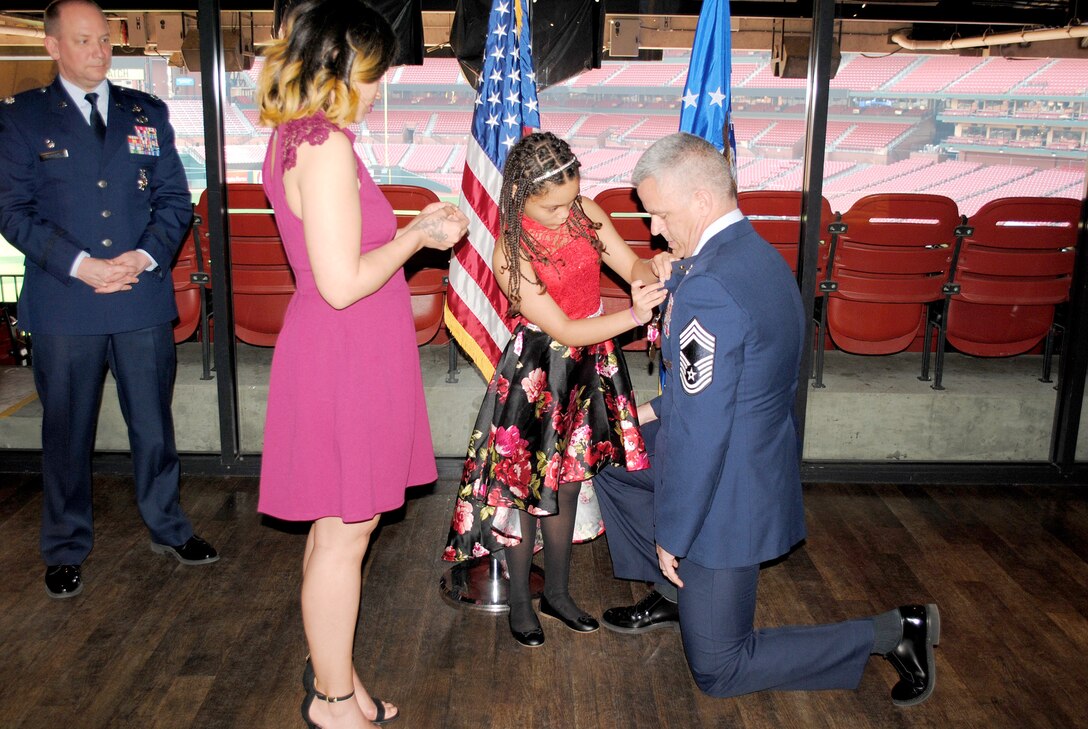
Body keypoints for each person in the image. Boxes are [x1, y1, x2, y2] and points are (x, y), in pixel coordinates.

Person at [592, 132, 940, 707]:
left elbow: (704, 435)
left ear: (700, 203)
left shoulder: (711, 287)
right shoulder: (748, 254)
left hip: (727, 493)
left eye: (658, 214)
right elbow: (707, 390)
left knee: (719, 669)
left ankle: (894, 633)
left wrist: (672, 534)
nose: (653, 229)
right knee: (610, 455)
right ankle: (676, 598)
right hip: (744, 448)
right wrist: (634, 418)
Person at [255, 2, 469, 728]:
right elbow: (343, 281)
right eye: (373, 71)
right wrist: (417, 239)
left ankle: (336, 676)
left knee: (336, 530)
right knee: (347, 533)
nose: (381, 86)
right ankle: (333, 700)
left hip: (341, 350)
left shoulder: (298, 137)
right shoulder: (323, 146)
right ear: (338, 68)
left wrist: (415, 231)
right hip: (344, 355)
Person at [0, 0, 218, 601]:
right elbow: (11, 211)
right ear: (52, 47)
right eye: (84, 40)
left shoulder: (145, 112)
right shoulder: (20, 119)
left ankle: (169, 526)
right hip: (66, 303)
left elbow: (175, 199)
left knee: (154, 425)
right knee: (66, 432)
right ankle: (66, 545)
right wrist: (82, 265)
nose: (99, 51)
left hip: (139, 295)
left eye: (104, 40)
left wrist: (145, 256)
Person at [442, 131, 668, 648]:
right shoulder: (509, 253)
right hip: (542, 370)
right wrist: (632, 315)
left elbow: (628, 262)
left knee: (567, 483)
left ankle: (558, 593)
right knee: (528, 492)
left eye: (571, 199)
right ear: (520, 196)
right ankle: (522, 602)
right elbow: (564, 330)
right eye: (552, 207)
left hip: (592, 363)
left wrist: (642, 276)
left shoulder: (584, 212)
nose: (566, 213)